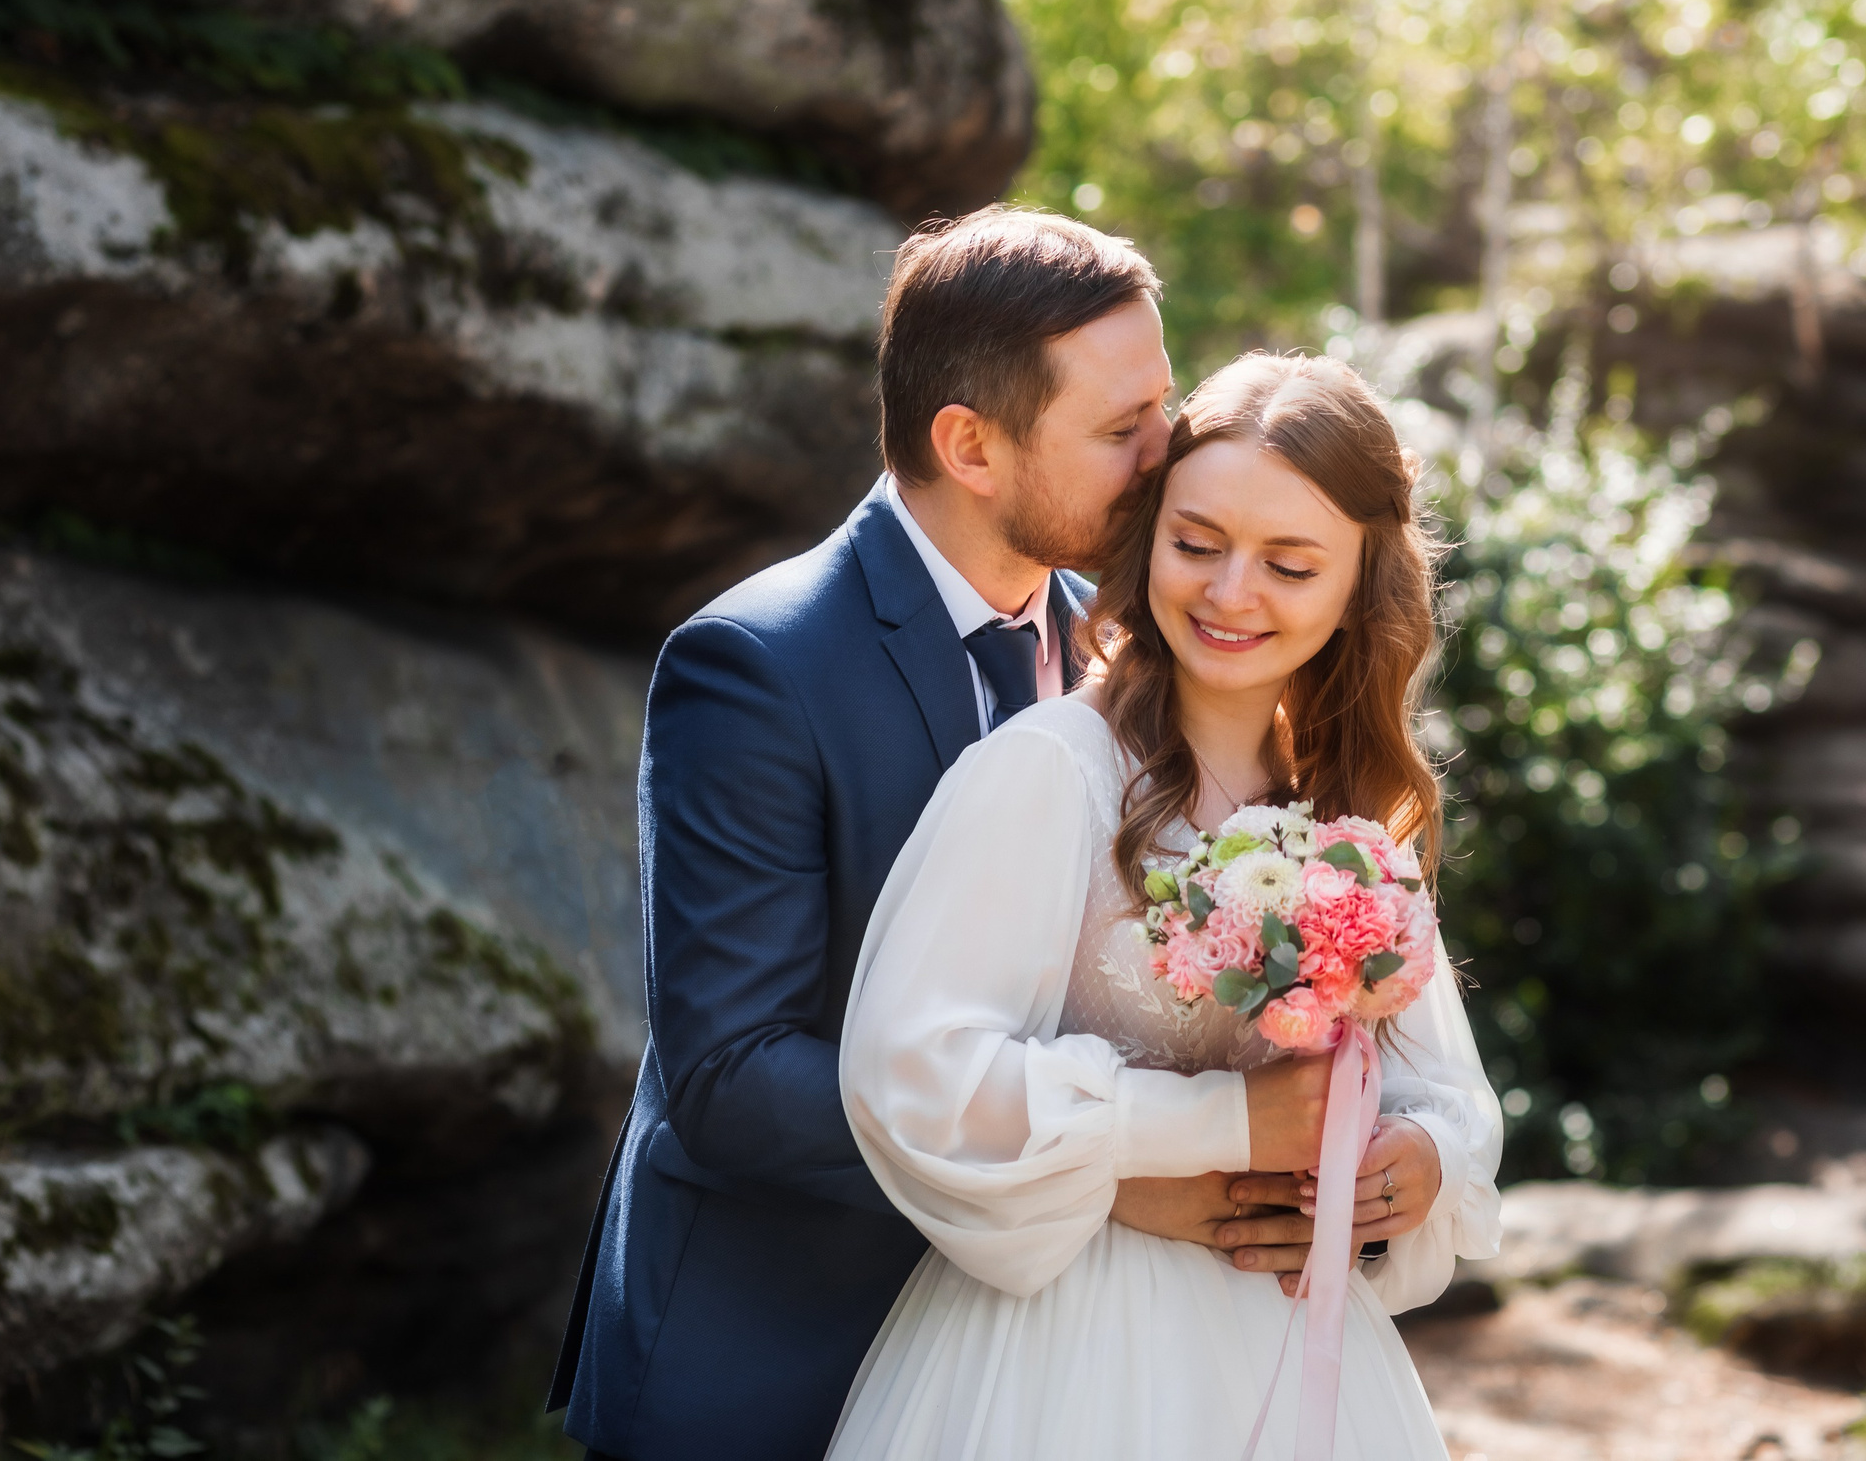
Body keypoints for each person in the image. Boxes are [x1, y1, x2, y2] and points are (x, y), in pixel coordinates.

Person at [547, 211, 1396, 1460]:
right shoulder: (758, 667)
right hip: (779, 1344)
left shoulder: (1137, 646)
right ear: (971, 446)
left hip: (1052, 1365)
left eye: (1160, 405)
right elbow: (731, 1078)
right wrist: (1111, 1178)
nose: (1170, 454)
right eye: (1123, 431)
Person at [829, 353, 1502, 1460]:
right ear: (1148, 544)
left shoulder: (1350, 816)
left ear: (1357, 591)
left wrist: (1417, 1165)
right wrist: (1214, 1129)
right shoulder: (1050, 774)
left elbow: (1449, 1092)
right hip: (1062, 1356)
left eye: (1289, 565)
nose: (1229, 593)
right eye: (1196, 544)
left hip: (1293, 1360)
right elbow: (914, 1070)